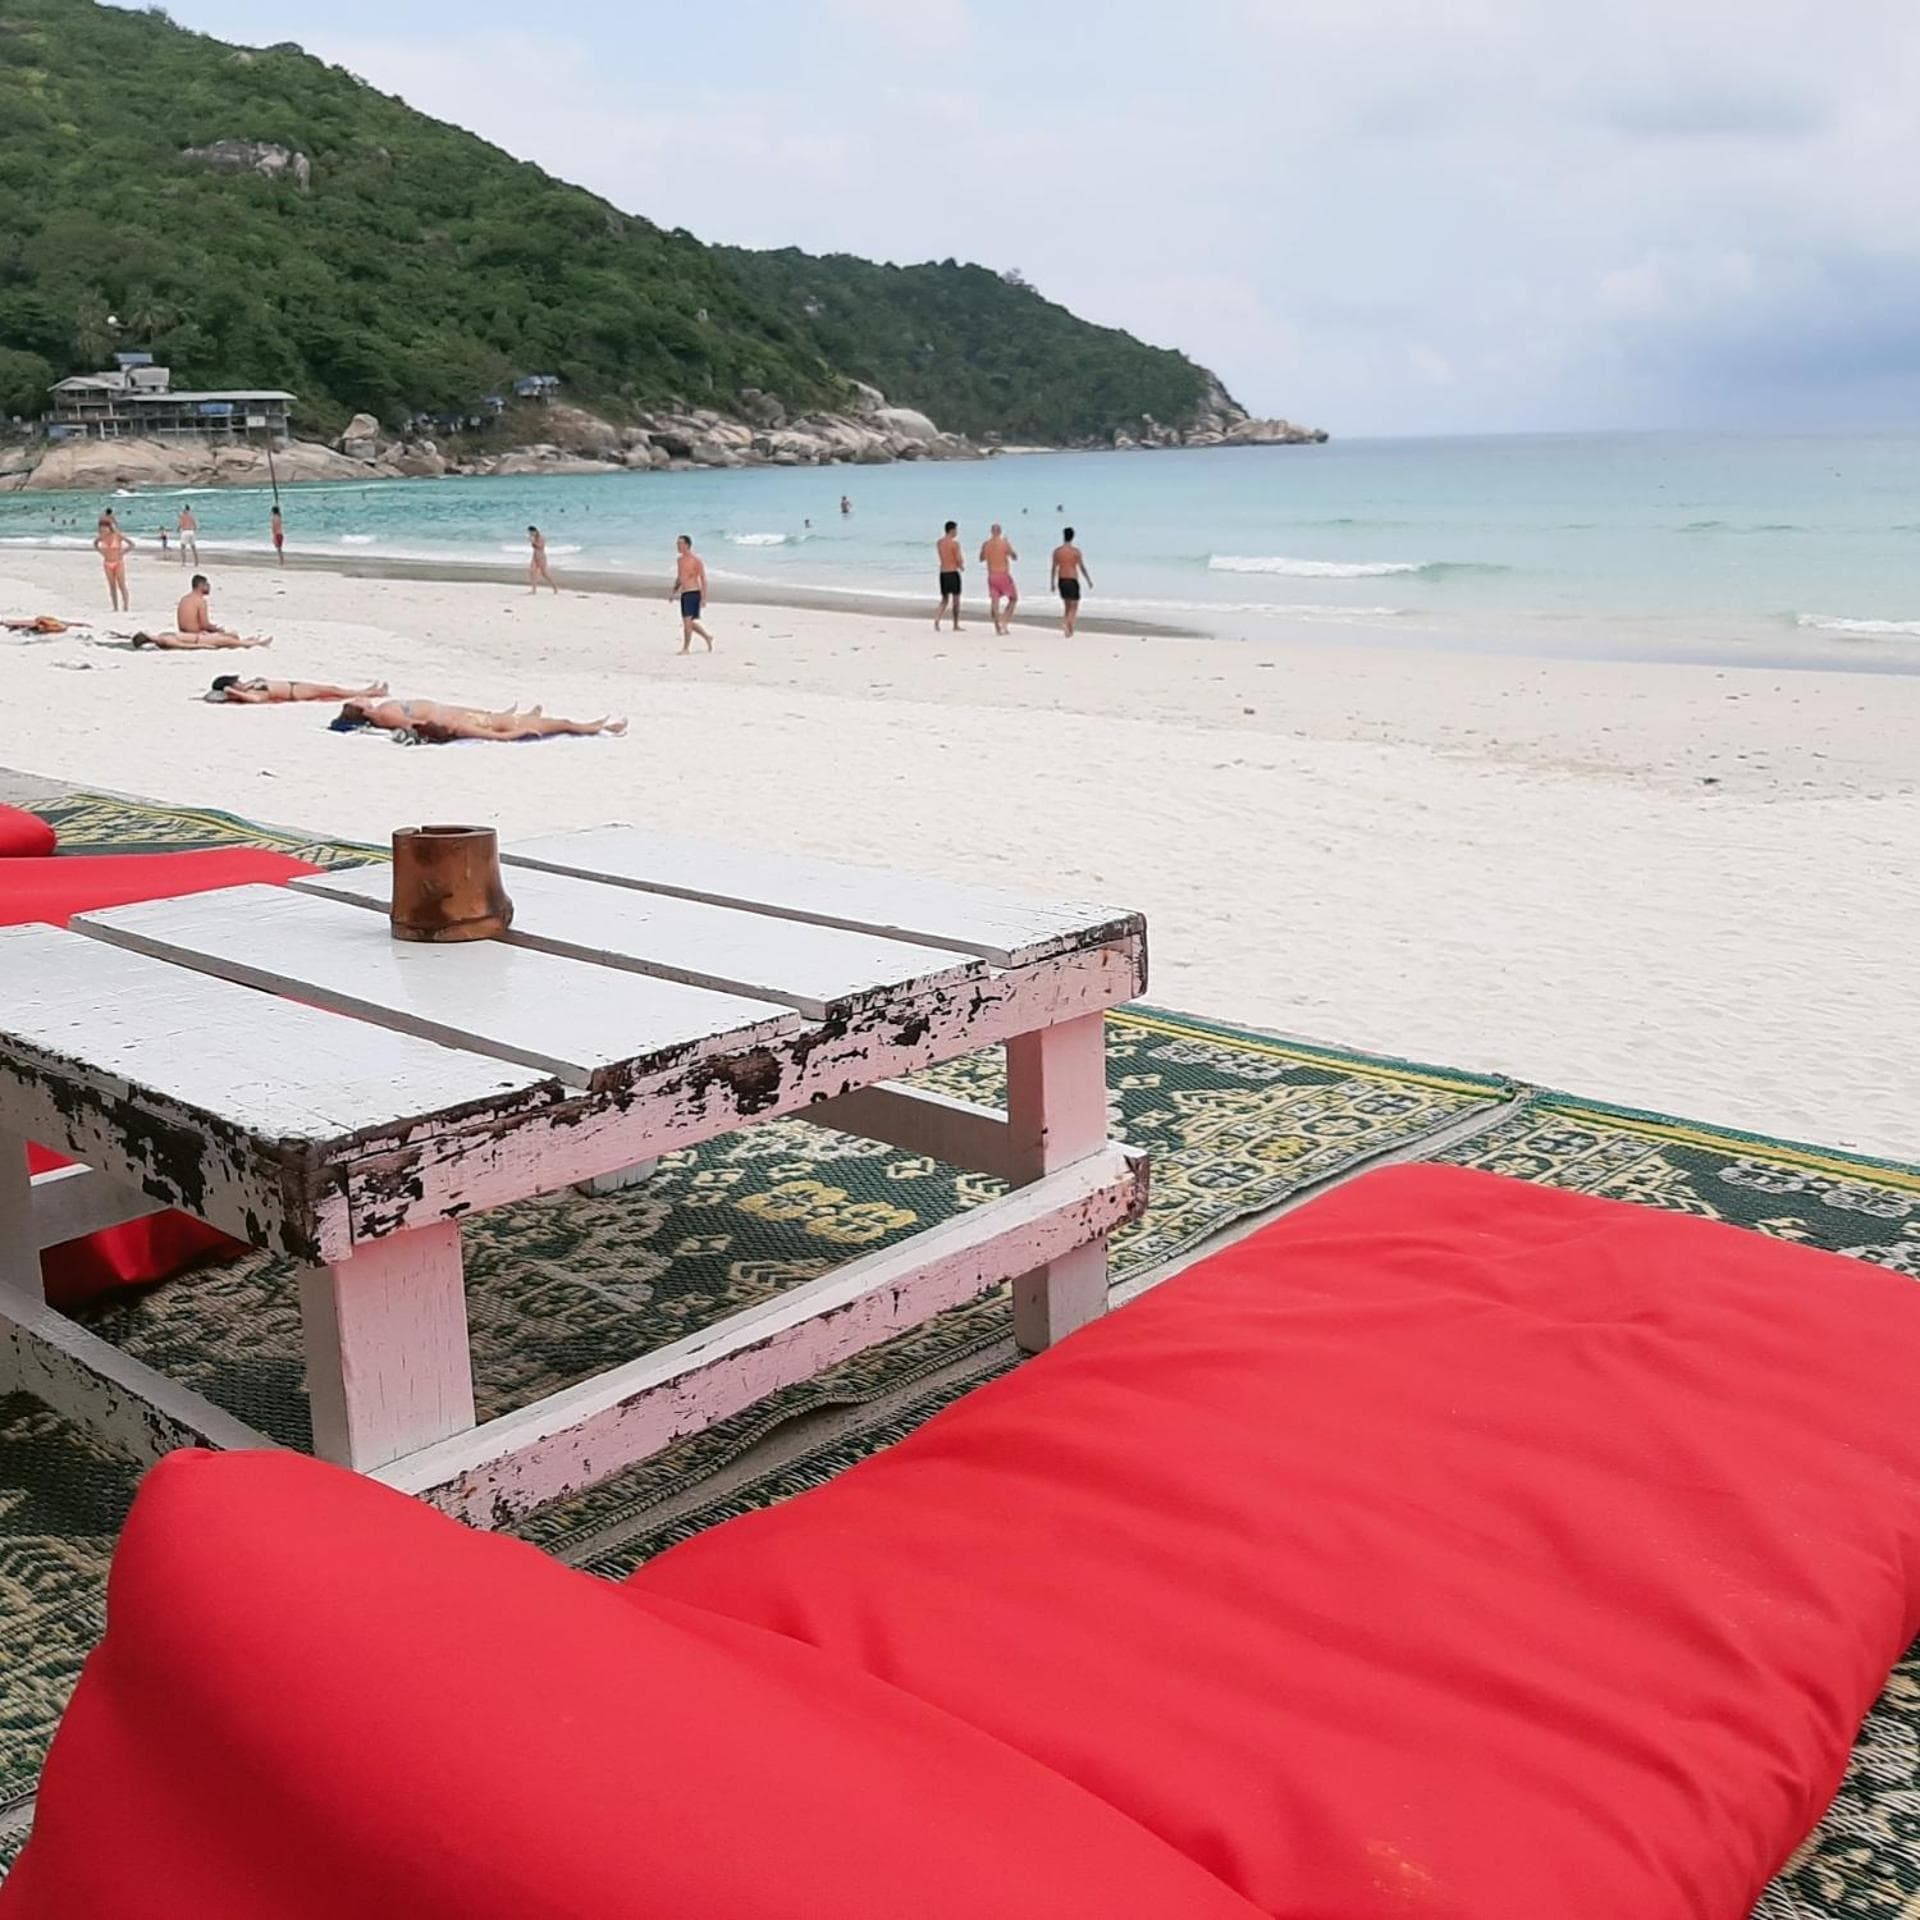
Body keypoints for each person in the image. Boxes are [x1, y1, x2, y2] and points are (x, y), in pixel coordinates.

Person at [329, 696, 625, 743]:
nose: (359, 698)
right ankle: (601, 728)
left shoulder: (382, 710)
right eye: (356, 702)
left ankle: (524, 718)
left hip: (460, 716)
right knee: (563, 723)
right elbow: (415, 726)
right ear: (360, 710)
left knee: (504, 718)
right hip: (465, 721)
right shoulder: (385, 713)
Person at [208, 674, 389, 704]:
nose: (240, 682)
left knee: (333, 689)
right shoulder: (251, 694)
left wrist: (245, 686)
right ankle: (371, 693)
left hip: (294, 687)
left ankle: (367, 691)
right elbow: (258, 699)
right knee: (333, 690)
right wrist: (235, 692)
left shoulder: (248, 688)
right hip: (294, 692)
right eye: (236, 682)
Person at [672, 534, 712, 652]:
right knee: (689, 622)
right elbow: (680, 577)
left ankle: (686, 648)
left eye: (680, 543)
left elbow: (703, 579)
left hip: (694, 592)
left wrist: (703, 598)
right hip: (684, 593)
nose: (677, 546)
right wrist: (674, 591)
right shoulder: (679, 560)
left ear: (687, 545)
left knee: (687, 622)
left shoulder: (696, 560)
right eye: (677, 543)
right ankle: (707, 637)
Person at [1050, 526, 1092, 637]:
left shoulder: (1057, 551)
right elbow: (1082, 567)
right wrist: (1088, 580)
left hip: (1061, 579)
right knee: (1074, 606)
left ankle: (1068, 627)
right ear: (1072, 537)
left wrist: (1052, 583)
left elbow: (1054, 568)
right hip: (1072, 579)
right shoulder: (1075, 552)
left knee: (1067, 605)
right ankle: (1068, 623)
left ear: (1063, 536)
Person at [980, 522, 1019, 635]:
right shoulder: (1004, 543)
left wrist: (985, 550)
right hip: (1003, 575)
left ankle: (997, 627)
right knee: (1013, 598)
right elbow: (1014, 557)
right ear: (1000, 532)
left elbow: (981, 558)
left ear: (991, 532)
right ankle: (1004, 622)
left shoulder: (986, 544)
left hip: (991, 576)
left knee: (995, 602)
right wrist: (1009, 545)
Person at [94, 516, 133, 613]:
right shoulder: (101, 537)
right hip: (107, 563)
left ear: (109, 527)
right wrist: (101, 551)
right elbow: (95, 543)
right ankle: (115, 607)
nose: (103, 530)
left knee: (121, 585)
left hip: (118, 563)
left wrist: (123, 552)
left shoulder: (117, 535)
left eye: (105, 528)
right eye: (101, 528)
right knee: (112, 586)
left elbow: (131, 544)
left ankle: (125, 606)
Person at [934, 520, 964, 631]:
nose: (957, 532)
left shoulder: (939, 542)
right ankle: (955, 625)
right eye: (956, 530)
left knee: (944, 599)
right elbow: (958, 558)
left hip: (943, 573)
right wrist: (961, 565)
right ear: (952, 530)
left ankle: (937, 620)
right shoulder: (954, 544)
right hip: (952, 572)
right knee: (956, 600)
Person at [528, 525, 558, 594]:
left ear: (535, 531)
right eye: (530, 532)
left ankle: (554, 586)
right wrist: (532, 541)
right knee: (532, 572)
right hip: (534, 557)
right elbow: (534, 547)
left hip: (541, 557)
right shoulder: (533, 538)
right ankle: (534, 590)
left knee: (544, 574)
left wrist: (533, 542)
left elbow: (540, 546)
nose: (531, 534)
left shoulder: (541, 537)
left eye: (532, 532)